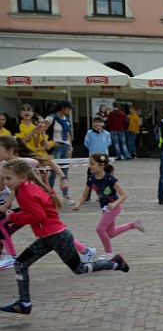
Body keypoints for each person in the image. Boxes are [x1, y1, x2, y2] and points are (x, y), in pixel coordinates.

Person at [0, 159, 126, 315]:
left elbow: (38, 216)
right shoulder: (27, 188)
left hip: (57, 236)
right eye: (4, 178)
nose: (5, 182)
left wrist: (14, 218)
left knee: (80, 269)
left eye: (8, 178)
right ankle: (24, 303)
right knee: (20, 263)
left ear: (23, 177)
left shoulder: (27, 192)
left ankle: (115, 263)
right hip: (49, 236)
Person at [0, 136, 88, 270]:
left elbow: (46, 162)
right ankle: (85, 250)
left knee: (53, 231)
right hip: (27, 204)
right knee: (55, 233)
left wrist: (63, 178)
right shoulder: (3, 165)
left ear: (10, 150)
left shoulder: (22, 162)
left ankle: (11, 256)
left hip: (34, 201)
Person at [70, 152, 144, 258]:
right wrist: (78, 205)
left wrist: (114, 204)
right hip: (105, 209)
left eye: (92, 164)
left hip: (114, 208)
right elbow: (84, 195)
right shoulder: (91, 179)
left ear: (102, 165)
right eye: (89, 163)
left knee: (100, 229)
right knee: (111, 233)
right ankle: (133, 224)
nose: (90, 166)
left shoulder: (110, 179)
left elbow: (124, 195)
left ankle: (109, 253)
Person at [45, 100, 74, 198]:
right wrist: (50, 143)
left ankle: (65, 194)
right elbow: (42, 131)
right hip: (56, 146)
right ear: (63, 108)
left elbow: (68, 134)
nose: (69, 111)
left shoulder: (66, 119)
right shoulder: (51, 118)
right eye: (68, 109)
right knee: (53, 171)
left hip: (65, 146)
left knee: (65, 171)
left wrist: (70, 147)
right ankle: (50, 192)